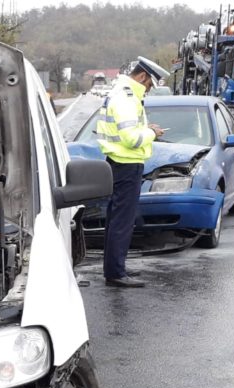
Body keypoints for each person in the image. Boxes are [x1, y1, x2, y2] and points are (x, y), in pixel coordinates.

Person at [96, 56, 169, 288]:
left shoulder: (121, 93)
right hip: (126, 163)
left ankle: (115, 267)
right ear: (142, 76)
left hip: (118, 162)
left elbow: (128, 130)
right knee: (122, 221)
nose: (149, 90)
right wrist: (152, 133)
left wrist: (146, 128)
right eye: (149, 84)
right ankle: (116, 272)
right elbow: (131, 138)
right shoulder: (127, 98)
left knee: (116, 219)